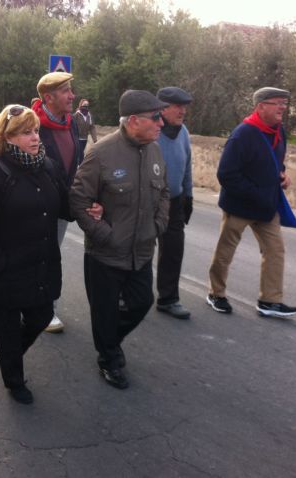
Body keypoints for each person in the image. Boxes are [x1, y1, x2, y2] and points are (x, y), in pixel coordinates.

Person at [0, 105, 99, 404]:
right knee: (7, 331)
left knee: (41, 317)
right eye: (26, 133)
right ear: (6, 137)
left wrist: (89, 208)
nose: (35, 137)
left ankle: (11, 354)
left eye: (35, 130)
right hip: (2, 274)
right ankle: (13, 379)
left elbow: (65, 207)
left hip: (39, 268)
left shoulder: (47, 166)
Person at [70, 90, 170, 389]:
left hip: (141, 250)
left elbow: (163, 191)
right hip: (105, 255)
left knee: (141, 303)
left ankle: (110, 341)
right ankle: (109, 359)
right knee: (105, 311)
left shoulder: (154, 149)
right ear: (134, 121)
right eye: (156, 118)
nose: (161, 124)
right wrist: (104, 234)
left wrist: (159, 225)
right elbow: (78, 199)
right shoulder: (101, 153)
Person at [206, 87, 296, 318]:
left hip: (267, 207)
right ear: (261, 107)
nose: (282, 108)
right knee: (225, 252)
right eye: (277, 103)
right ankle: (216, 294)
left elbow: (276, 161)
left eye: (284, 104)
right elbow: (226, 175)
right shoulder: (243, 134)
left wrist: (282, 175)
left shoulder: (279, 131)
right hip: (240, 207)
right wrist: (256, 192)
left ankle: (269, 301)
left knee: (275, 251)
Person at [32, 72, 83, 333]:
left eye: (71, 90)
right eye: (66, 91)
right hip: (36, 205)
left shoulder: (71, 122)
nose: (72, 96)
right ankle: (42, 309)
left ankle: (41, 305)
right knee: (39, 255)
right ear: (49, 97)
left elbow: (76, 161)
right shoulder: (31, 124)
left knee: (50, 253)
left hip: (62, 204)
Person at [154, 87, 194, 320]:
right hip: (150, 200)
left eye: (184, 106)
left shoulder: (184, 132)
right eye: (177, 106)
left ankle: (168, 299)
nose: (182, 111)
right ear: (163, 108)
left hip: (175, 201)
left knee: (173, 250)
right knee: (141, 249)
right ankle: (128, 294)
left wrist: (188, 196)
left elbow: (186, 165)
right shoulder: (151, 131)